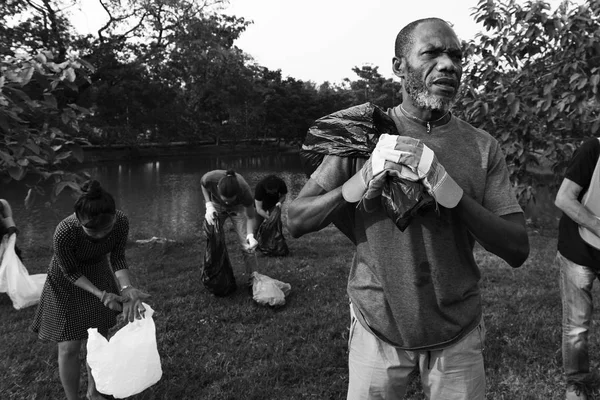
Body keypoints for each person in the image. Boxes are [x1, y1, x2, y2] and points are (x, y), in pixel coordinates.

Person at [287, 17, 530, 400]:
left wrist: (450, 192)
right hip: (377, 324)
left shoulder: (483, 147)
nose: (448, 64)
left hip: (457, 330)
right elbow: (295, 219)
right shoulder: (363, 134)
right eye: (431, 53)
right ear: (399, 66)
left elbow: (517, 249)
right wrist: (357, 181)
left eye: (455, 55)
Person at [30, 180, 150, 400]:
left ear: (114, 217)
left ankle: (94, 392)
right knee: (69, 346)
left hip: (98, 272)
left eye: (106, 229)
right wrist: (100, 294)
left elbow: (117, 257)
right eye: (92, 231)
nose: (100, 236)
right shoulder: (64, 231)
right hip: (66, 282)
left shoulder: (121, 221)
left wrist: (126, 287)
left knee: (98, 339)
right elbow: (71, 271)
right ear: (79, 220)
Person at [554, 137, 600, 400]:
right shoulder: (593, 149)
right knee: (578, 323)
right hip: (579, 251)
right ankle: (576, 383)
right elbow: (564, 198)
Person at [201, 169, 259, 284]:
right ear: (217, 188)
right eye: (225, 200)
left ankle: (254, 278)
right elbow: (203, 184)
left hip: (238, 208)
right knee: (211, 237)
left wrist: (250, 235)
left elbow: (251, 217)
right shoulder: (210, 178)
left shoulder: (245, 192)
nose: (227, 203)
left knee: (247, 246)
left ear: (238, 194)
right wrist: (208, 205)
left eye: (230, 200)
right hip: (216, 205)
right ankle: (213, 274)